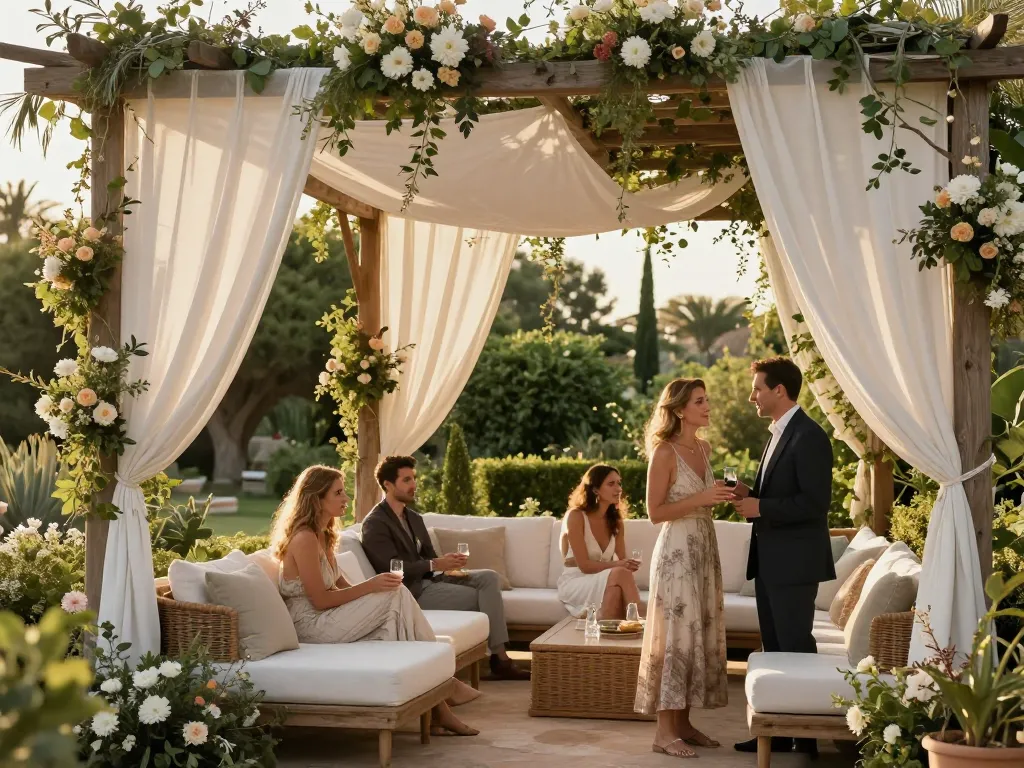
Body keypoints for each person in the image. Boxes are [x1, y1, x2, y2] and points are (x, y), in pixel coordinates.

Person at [270, 464, 479, 736]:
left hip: (326, 616)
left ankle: (440, 705)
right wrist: (371, 587)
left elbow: (341, 585)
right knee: (396, 594)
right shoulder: (305, 539)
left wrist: (373, 590)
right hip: (310, 624)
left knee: (393, 599)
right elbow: (320, 600)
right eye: (338, 493)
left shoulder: (324, 534)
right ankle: (443, 689)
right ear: (317, 498)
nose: (346, 498)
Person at [730, 357, 834, 757]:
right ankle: (772, 732)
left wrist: (762, 508)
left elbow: (814, 503)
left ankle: (804, 741)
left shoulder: (810, 437)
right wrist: (747, 493)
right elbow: (776, 493)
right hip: (773, 562)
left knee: (794, 647)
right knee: (774, 649)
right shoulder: (777, 433)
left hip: (794, 565)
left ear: (779, 391)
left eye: (757, 388)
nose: (751, 395)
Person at [360, 455, 529, 681]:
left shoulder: (414, 518)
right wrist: (434, 564)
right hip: (411, 591)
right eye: (406, 480)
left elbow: (429, 557)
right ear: (388, 485)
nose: (413, 485)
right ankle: (500, 659)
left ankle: (498, 658)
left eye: (414, 479)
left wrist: (446, 563)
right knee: (482, 597)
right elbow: (392, 567)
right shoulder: (375, 523)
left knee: (490, 578)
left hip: (431, 579)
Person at [635, 378, 731, 759]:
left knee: (698, 633)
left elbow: (703, 502)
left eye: (707, 399)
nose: (707, 407)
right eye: (699, 401)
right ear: (678, 410)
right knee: (675, 637)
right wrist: (702, 497)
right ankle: (663, 732)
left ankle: (685, 724)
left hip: (704, 548)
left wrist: (722, 495)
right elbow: (655, 513)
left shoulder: (705, 449)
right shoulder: (664, 453)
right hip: (677, 553)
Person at [557, 464, 643, 620]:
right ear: (595, 489)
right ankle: (642, 620)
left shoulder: (615, 521)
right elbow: (584, 566)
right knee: (620, 573)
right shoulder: (576, 516)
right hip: (576, 580)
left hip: (602, 578)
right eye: (611, 484)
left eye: (619, 483)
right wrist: (620, 565)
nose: (618, 489)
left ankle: (605, 639)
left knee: (615, 592)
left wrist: (628, 564)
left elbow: (623, 562)